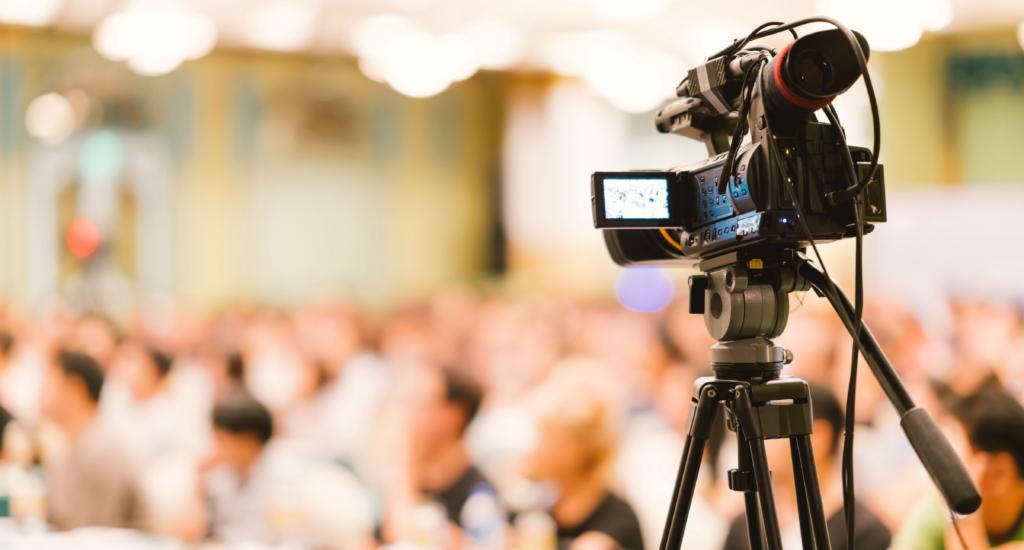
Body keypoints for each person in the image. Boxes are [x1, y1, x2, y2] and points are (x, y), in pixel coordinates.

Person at [721, 383, 891, 550]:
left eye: (771, 426)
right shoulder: (747, 525)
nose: (759, 440)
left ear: (817, 437)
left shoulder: (864, 533)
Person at [523, 364, 645, 550]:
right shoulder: (542, 507)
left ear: (576, 450)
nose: (534, 449)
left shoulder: (615, 525)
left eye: (544, 438)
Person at [894, 386, 1024, 550]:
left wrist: (964, 512)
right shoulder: (937, 507)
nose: (938, 465)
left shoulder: (952, 510)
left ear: (1000, 474)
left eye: (952, 454)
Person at [385, 365, 497, 541]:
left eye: (419, 405)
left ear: (454, 416)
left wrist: (405, 463)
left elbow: (402, 537)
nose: (407, 414)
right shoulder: (412, 474)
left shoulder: (479, 496)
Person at [40, 351, 148, 531]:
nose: (40, 391)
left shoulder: (103, 452)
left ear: (74, 390)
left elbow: (93, 533)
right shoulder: (68, 448)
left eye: (48, 384)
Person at [202, 389, 276, 543]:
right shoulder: (226, 473)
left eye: (222, 440)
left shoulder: (281, 478)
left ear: (248, 442)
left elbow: (263, 539)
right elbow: (192, 530)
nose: (216, 448)